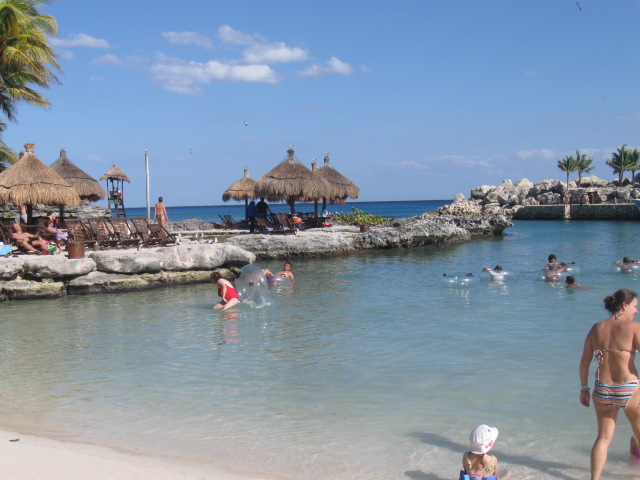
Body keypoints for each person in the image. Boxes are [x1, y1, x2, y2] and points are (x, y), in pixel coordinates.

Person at [579, 289, 640, 479]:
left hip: (602, 390)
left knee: (603, 438)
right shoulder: (634, 327)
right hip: (628, 389)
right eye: (635, 306)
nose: (636, 311)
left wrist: (584, 389)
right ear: (624, 305)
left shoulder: (596, 328)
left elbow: (584, 362)